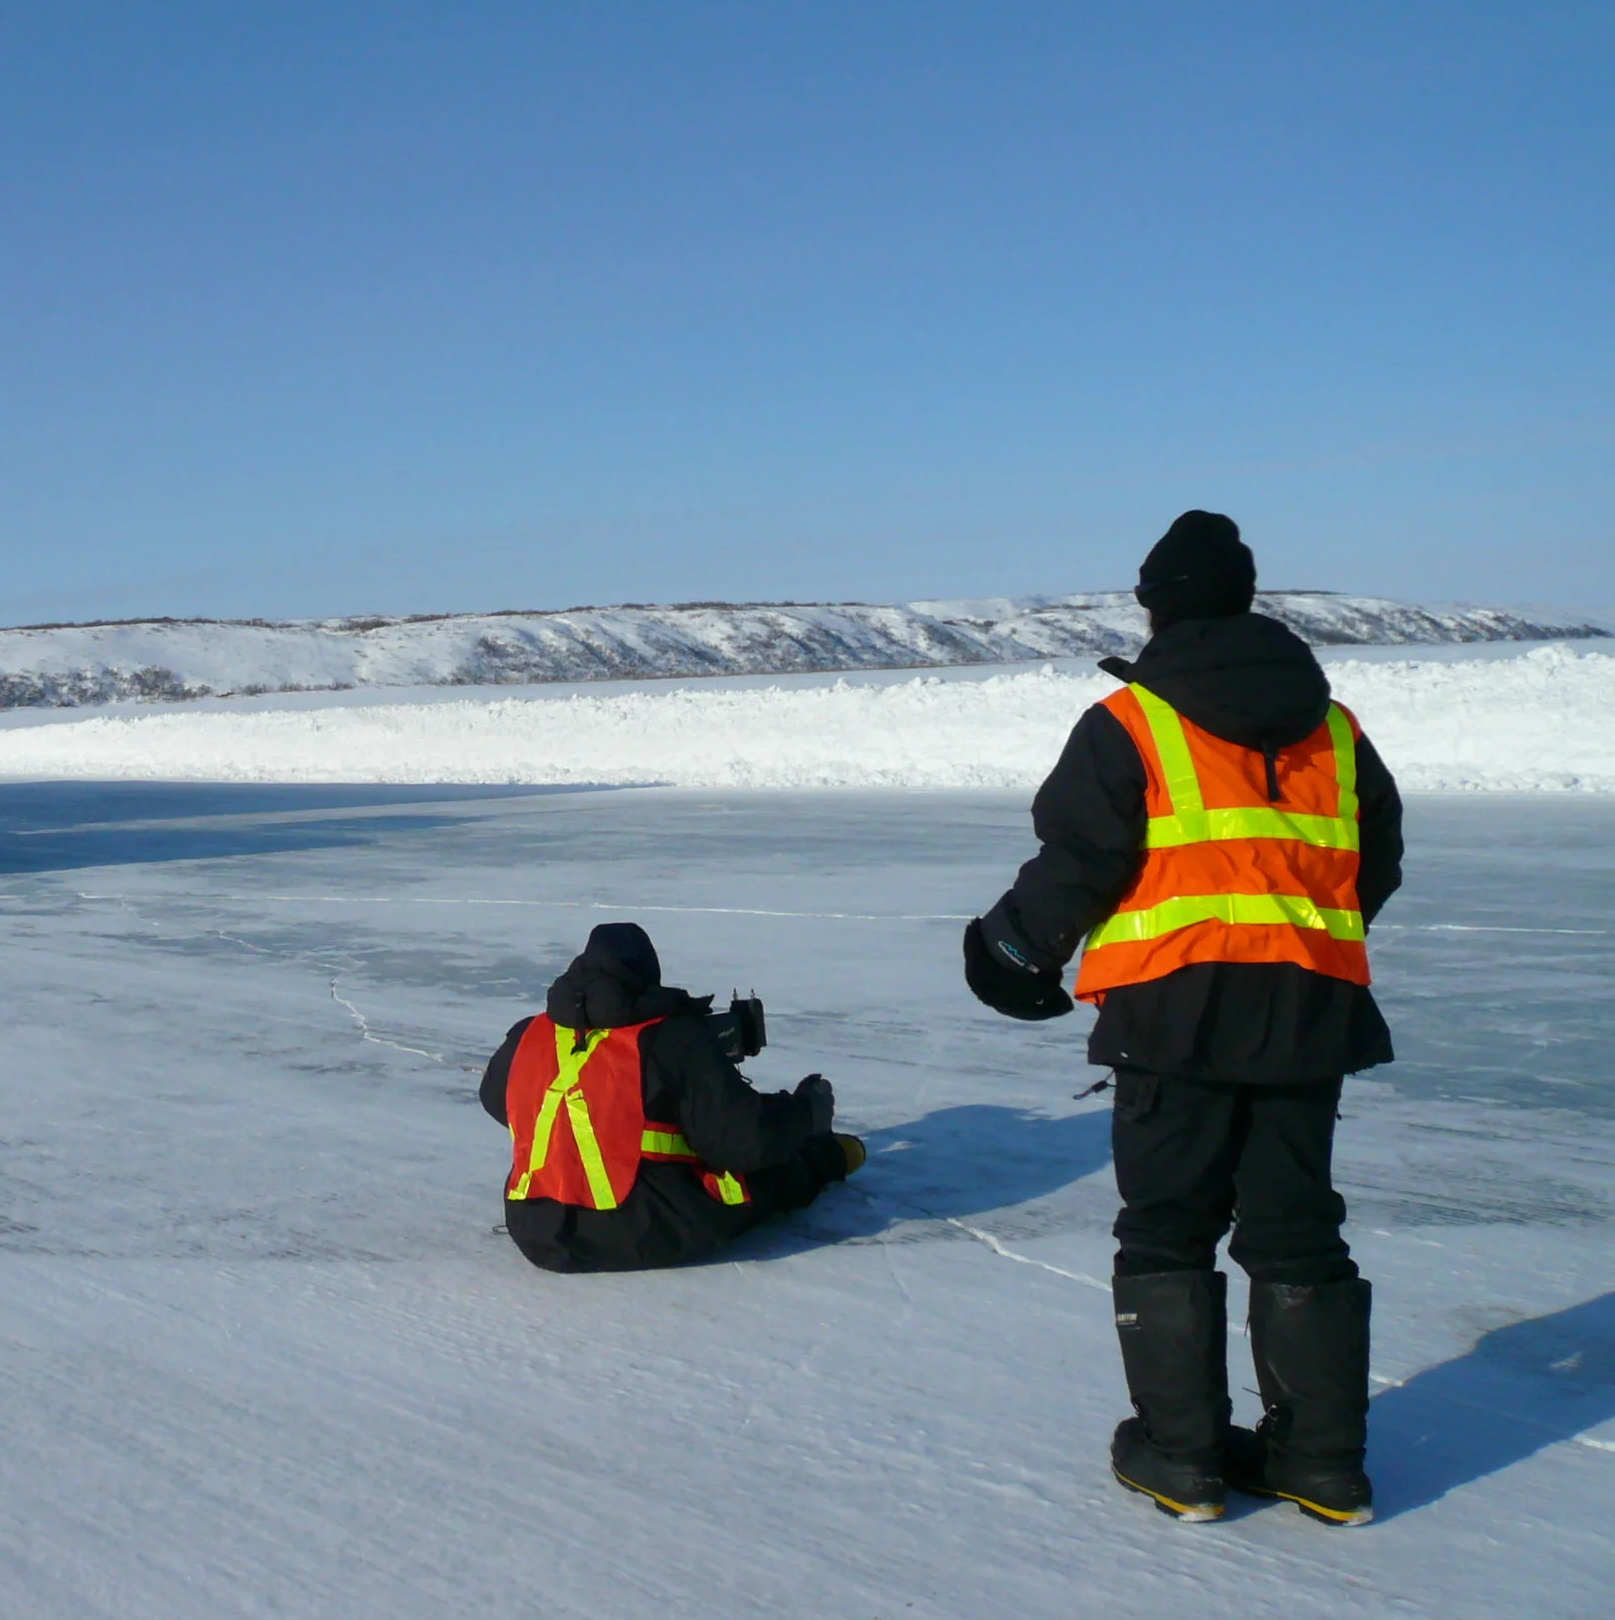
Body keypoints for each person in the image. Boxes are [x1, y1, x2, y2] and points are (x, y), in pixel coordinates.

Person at [965, 510, 1402, 1527]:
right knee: (1298, 1231)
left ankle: (1182, 1455)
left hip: (1171, 1014)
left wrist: (1011, 951)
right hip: (1308, 1010)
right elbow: (1370, 865)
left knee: (1167, 1229)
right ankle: (1322, 1463)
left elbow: (1079, 859)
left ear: (1155, 609)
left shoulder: (1131, 721)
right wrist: (1294, 943)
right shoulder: (1335, 728)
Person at [480, 921, 863, 1273]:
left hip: (535, 1227)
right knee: (762, 1180)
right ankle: (829, 1158)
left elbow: (495, 1099)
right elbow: (746, 1142)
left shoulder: (528, 1034)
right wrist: (804, 1111)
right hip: (640, 1230)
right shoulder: (671, 1040)